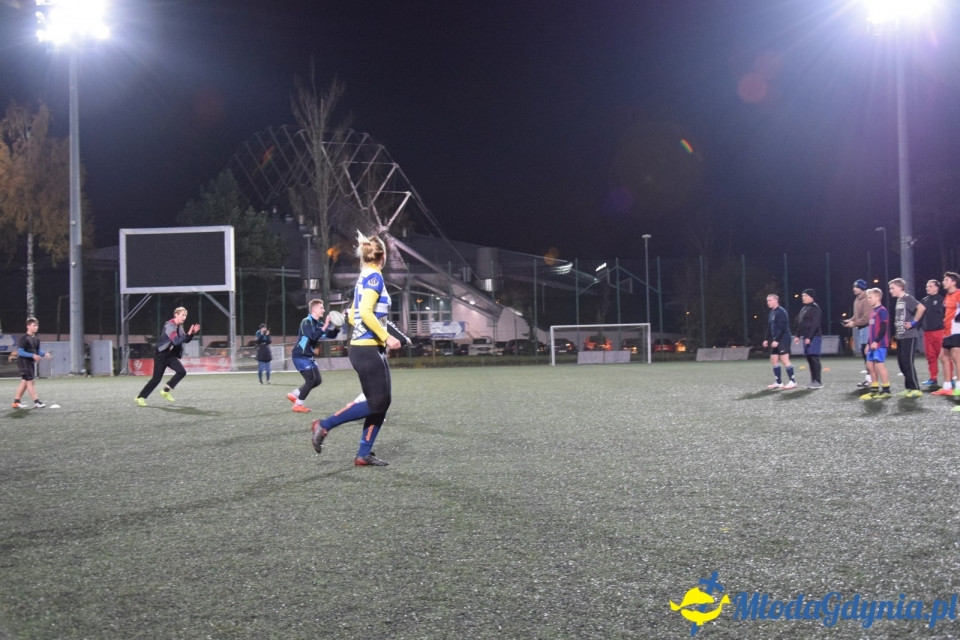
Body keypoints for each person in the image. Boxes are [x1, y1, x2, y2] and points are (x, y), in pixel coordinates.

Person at [311, 230, 402, 466]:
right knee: (376, 402)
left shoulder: (364, 276)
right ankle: (324, 425)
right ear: (383, 257)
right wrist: (387, 336)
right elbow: (365, 313)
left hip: (368, 348)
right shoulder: (375, 277)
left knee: (381, 402)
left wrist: (354, 317)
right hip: (366, 348)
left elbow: (354, 315)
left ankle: (364, 453)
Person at [135, 307, 200, 406]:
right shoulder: (170, 325)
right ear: (176, 315)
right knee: (156, 380)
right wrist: (188, 334)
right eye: (182, 315)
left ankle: (165, 391)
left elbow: (185, 340)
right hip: (160, 355)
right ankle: (140, 397)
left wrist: (191, 334)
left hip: (170, 355)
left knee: (182, 372)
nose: (184, 317)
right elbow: (176, 341)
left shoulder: (179, 326)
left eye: (185, 315)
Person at [286, 299, 340, 413]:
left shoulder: (319, 324)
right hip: (300, 355)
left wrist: (337, 326)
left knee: (317, 380)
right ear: (314, 309)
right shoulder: (306, 322)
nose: (324, 310)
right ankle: (298, 405)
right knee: (310, 381)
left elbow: (331, 335)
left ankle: (295, 394)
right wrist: (325, 326)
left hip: (307, 356)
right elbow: (312, 336)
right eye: (321, 308)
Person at [888, 278, 925, 398]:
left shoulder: (907, 298)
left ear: (900, 287)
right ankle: (908, 387)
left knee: (907, 362)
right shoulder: (899, 300)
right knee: (901, 363)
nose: (890, 291)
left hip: (909, 336)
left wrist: (913, 323)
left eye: (892, 288)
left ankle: (916, 388)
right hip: (900, 336)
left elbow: (921, 308)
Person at [11, 317, 52, 409]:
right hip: (23, 362)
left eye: (37, 325)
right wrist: (32, 355)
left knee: (25, 382)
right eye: (34, 325)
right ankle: (37, 402)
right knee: (30, 382)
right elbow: (20, 352)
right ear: (28, 326)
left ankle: (16, 402)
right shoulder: (24, 338)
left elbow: (37, 351)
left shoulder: (36, 339)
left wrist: (44, 353)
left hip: (30, 362)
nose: (36, 327)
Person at [859, 288, 892, 400]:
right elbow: (872, 330)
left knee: (879, 365)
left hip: (880, 344)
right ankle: (874, 390)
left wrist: (876, 341)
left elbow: (883, 328)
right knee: (869, 365)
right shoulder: (873, 311)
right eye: (868, 297)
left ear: (878, 297)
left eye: (870, 297)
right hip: (872, 344)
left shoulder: (882, 310)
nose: (868, 300)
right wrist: (868, 343)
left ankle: (886, 389)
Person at [932, 272, 960, 401]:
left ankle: (959, 388)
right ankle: (947, 386)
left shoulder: (958, 293)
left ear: (953, 282)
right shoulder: (947, 296)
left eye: (946, 280)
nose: (943, 282)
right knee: (943, 356)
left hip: (956, 330)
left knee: (957, 358)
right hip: (947, 331)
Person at [762, 293, 796, 390]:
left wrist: (776, 340)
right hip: (776, 340)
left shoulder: (781, 312)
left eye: (770, 300)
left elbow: (782, 327)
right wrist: (765, 339)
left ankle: (793, 381)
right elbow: (769, 327)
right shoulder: (772, 312)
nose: (768, 302)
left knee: (785, 360)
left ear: (776, 300)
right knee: (774, 360)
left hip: (783, 339)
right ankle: (778, 382)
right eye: (767, 301)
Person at [842, 279, 872, 387]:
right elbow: (857, 316)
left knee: (868, 354)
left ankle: (871, 378)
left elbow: (866, 318)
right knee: (865, 354)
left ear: (862, 288)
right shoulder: (857, 299)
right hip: (861, 329)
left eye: (856, 287)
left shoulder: (867, 299)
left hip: (868, 328)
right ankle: (869, 378)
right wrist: (850, 320)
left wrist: (853, 324)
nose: (854, 289)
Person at [794, 289, 823, 389]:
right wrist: (797, 335)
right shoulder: (804, 308)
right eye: (802, 296)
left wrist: (809, 337)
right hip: (806, 337)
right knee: (809, 359)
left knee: (814, 358)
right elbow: (800, 323)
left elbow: (814, 324)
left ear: (811, 297)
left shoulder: (815, 308)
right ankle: (813, 380)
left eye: (805, 296)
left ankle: (818, 381)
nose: (803, 297)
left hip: (814, 337)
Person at [920, 279, 947, 387]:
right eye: (927, 286)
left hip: (940, 331)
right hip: (927, 333)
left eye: (930, 286)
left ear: (936, 287)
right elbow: (920, 316)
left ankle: (949, 379)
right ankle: (933, 378)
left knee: (944, 356)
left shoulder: (942, 300)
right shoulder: (924, 300)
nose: (927, 288)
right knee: (930, 356)